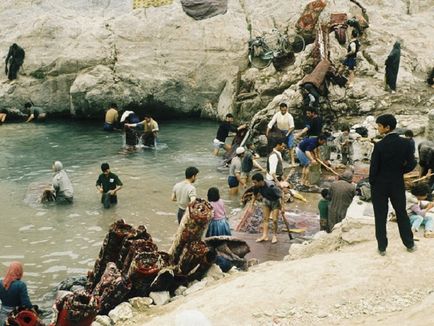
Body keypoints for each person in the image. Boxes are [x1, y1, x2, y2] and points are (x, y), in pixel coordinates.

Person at [369, 114, 417, 256]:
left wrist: (372, 184)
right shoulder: (406, 143)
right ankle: (409, 244)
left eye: (379, 126)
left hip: (380, 185)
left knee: (380, 216)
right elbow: (412, 163)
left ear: (387, 127)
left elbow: (373, 169)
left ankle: (382, 247)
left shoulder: (379, 146)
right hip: (397, 183)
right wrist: (401, 171)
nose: (378, 128)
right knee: (401, 213)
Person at [251, 173, 282, 244]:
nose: (254, 184)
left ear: (261, 181)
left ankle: (274, 236)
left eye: (255, 182)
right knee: (265, 219)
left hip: (275, 202)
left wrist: (283, 207)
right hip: (266, 201)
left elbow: (281, 195)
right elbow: (254, 195)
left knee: (274, 220)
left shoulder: (271, 186)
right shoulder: (256, 186)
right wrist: (251, 204)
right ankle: (264, 236)